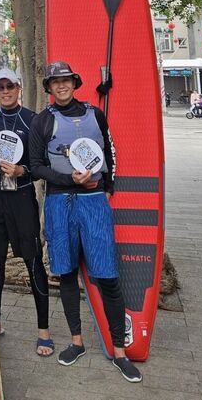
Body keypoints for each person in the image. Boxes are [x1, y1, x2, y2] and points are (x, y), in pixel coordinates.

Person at [28, 61, 142, 383]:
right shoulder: (43, 121)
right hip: (59, 204)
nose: (61, 86)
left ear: (74, 83)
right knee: (65, 273)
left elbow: (110, 151)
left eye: (66, 81)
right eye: (55, 82)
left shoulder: (95, 114)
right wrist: (69, 178)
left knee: (107, 275)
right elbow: (36, 166)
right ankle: (76, 341)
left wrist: (107, 186)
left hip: (94, 205)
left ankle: (120, 351)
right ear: (49, 88)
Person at [0, 68, 53, 356]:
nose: (5, 91)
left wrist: (22, 170)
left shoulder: (32, 120)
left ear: (19, 88)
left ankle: (43, 331)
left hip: (21, 199)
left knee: (33, 263)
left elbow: (41, 163)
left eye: (10, 86)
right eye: (0, 87)